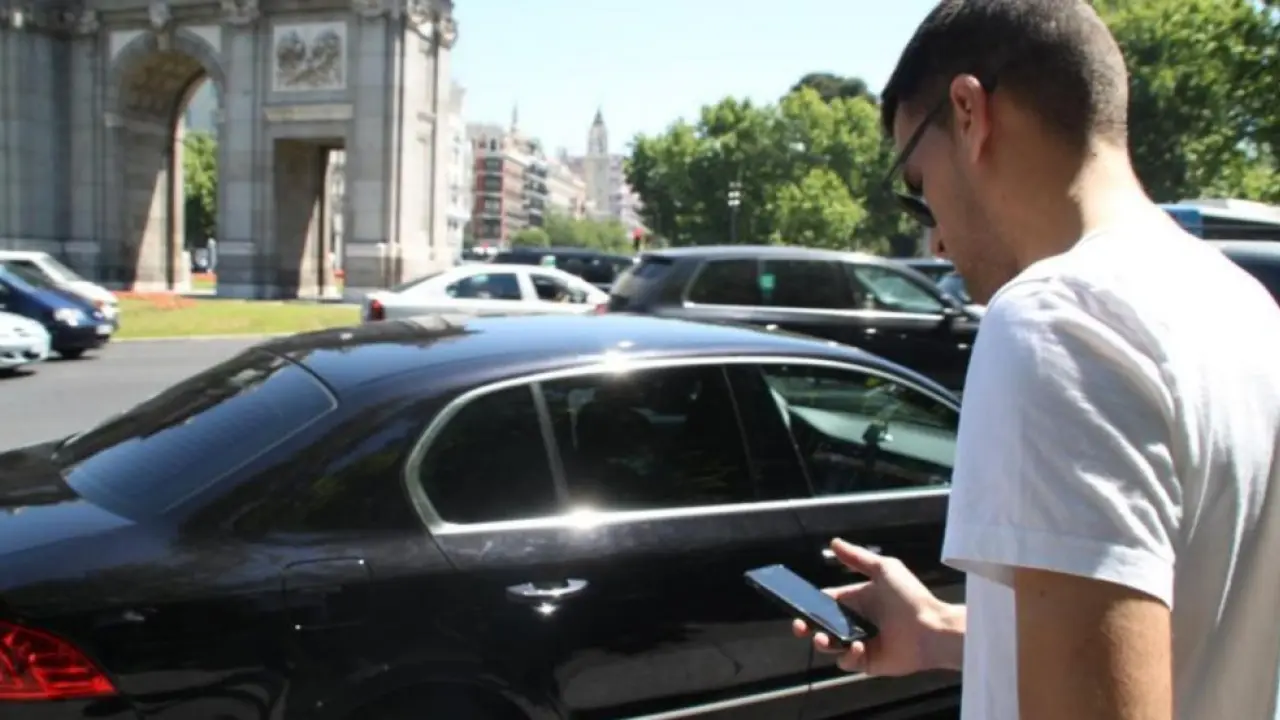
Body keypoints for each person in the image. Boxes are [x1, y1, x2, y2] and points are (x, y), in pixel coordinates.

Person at [793, 2, 1280, 719]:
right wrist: (939, 631)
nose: (934, 241)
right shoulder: (1242, 305)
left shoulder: (1054, 320)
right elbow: (1176, 632)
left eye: (919, 188)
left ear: (969, 112)